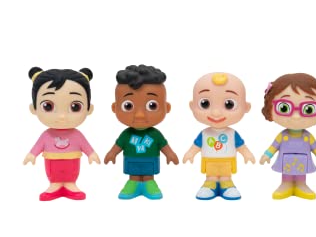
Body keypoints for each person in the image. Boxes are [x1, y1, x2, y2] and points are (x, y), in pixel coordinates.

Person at [23, 67, 100, 200]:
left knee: (71, 174)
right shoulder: (46, 135)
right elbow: (38, 146)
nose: (62, 116)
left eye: (75, 107)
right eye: (48, 106)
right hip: (52, 162)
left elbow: (85, 145)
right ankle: (55, 185)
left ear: (89, 109)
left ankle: (71, 184)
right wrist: (32, 154)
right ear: (33, 108)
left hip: (72, 162)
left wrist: (91, 154)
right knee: (53, 174)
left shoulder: (77, 135)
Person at [104, 65, 179, 199]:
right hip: (132, 160)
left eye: (152, 105)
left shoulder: (155, 134)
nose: (140, 115)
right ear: (115, 108)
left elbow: (163, 145)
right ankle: (133, 183)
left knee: (149, 175)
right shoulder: (126, 134)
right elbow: (118, 145)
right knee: (133, 174)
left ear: (166, 107)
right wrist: (112, 153)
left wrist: (170, 154)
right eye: (128, 106)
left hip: (150, 161)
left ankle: (149, 183)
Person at [183, 72, 255, 200]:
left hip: (227, 161)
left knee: (226, 176)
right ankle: (209, 185)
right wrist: (190, 153)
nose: (216, 112)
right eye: (205, 103)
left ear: (246, 107)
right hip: (209, 161)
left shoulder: (232, 134)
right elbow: (196, 145)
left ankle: (227, 185)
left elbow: (241, 146)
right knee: (211, 176)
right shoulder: (204, 134)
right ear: (192, 106)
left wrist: (247, 154)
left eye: (229, 104)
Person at [260, 73, 316, 200]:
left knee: (301, 174)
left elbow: (315, 148)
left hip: (303, 160)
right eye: (284, 108)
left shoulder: (308, 137)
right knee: (286, 174)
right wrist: (267, 155)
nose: (296, 117)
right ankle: (285, 184)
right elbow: (274, 146)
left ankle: (301, 185)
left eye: (308, 109)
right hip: (285, 160)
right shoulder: (283, 136)